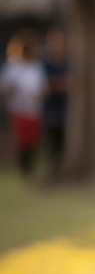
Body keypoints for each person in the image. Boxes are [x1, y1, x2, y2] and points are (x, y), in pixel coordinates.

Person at [0, 29, 48, 176]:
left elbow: (43, 87)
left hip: (34, 109)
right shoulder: (11, 67)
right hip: (19, 108)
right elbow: (3, 90)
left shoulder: (36, 66)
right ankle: (23, 167)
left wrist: (39, 95)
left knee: (32, 139)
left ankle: (30, 166)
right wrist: (12, 90)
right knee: (22, 139)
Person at [41, 25, 70, 174]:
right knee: (52, 142)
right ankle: (53, 170)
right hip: (51, 108)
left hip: (68, 110)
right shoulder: (45, 63)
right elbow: (44, 85)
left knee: (66, 142)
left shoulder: (70, 62)